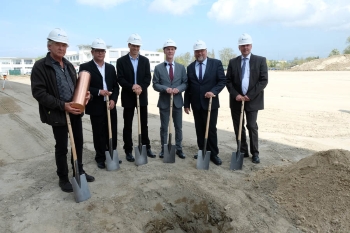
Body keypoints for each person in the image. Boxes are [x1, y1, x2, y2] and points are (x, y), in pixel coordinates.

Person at [31, 28, 95, 193]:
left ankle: (78, 171)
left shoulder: (68, 65)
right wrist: (62, 105)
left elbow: (75, 87)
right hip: (58, 113)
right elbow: (39, 93)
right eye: (57, 45)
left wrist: (85, 96)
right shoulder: (40, 66)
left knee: (78, 143)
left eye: (64, 45)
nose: (61, 48)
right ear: (49, 46)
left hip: (74, 110)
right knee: (62, 146)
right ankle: (63, 177)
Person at [226, 33, 268, 164]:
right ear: (239, 47)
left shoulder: (260, 60)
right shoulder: (233, 62)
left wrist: (249, 95)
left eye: (247, 45)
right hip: (236, 100)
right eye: (243, 46)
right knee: (238, 126)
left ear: (251, 46)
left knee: (251, 126)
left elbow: (263, 80)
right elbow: (228, 81)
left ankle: (255, 152)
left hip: (252, 100)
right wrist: (236, 95)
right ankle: (242, 150)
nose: (245, 48)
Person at [79, 38, 120, 169]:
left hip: (110, 105)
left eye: (102, 51)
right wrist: (98, 92)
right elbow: (82, 86)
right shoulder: (85, 67)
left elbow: (116, 86)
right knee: (99, 133)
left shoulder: (110, 68)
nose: (100, 53)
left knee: (112, 131)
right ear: (92, 52)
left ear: (105, 52)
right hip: (96, 105)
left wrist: (113, 99)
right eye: (97, 51)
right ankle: (100, 157)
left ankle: (112, 155)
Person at [184, 40, 226, 166]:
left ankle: (213, 154)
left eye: (202, 50)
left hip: (210, 104)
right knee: (199, 129)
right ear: (194, 53)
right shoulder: (190, 67)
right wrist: (186, 104)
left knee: (211, 129)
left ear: (206, 51)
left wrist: (213, 91)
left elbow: (222, 81)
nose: (200, 53)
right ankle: (202, 150)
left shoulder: (216, 63)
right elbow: (188, 87)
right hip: (196, 104)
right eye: (197, 51)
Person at [117, 33, 156, 162]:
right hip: (128, 96)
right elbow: (120, 79)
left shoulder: (145, 61)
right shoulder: (121, 61)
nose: (135, 48)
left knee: (143, 124)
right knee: (128, 125)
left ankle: (146, 147)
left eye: (138, 46)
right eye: (133, 45)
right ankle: (128, 150)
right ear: (129, 45)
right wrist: (132, 86)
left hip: (142, 95)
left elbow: (147, 78)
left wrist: (141, 87)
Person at [153, 39, 188, 159]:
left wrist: (178, 89)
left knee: (178, 127)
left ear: (175, 51)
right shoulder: (158, 68)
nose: (170, 51)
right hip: (164, 102)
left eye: (172, 49)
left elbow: (185, 83)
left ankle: (179, 148)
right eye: (168, 49)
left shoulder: (181, 67)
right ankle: (164, 149)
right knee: (164, 127)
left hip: (177, 102)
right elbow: (155, 84)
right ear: (164, 51)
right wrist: (165, 88)